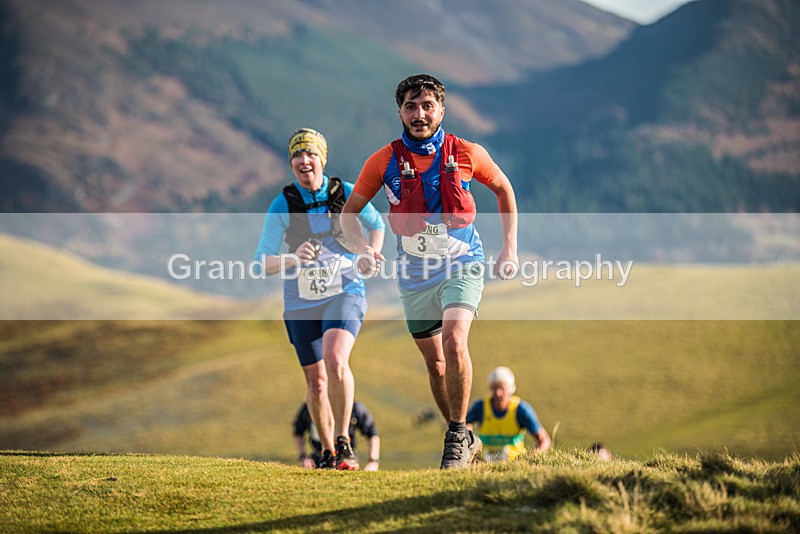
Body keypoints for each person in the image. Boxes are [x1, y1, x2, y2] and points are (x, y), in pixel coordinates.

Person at [341, 74, 519, 469]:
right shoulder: (383, 161)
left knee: (456, 342)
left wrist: (509, 248)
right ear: (400, 111)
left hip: (463, 262)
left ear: (441, 109)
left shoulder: (468, 152)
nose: (419, 114)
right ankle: (463, 434)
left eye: (426, 106)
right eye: (410, 106)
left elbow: (504, 189)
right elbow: (349, 214)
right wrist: (363, 249)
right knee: (436, 364)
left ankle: (455, 437)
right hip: (414, 274)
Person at [255, 128, 385, 470]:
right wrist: (294, 258)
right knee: (316, 381)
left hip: (345, 290)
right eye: (296, 155)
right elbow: (263, 262)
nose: (303, 160)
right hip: (300, 301)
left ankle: (344, 442)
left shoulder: (345, 192)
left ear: (322, 159)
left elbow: (377, 224)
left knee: (335, 358)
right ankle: (327, 452)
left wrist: (371, 254)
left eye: (310, 153)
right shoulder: (284, 203)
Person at [466, 366, 551, 462]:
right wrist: (469, 441)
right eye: (495, 388)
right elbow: (465, 423)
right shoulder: (480, 407)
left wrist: (531, 458)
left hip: (515, 464)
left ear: (510, 389)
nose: (498, 393)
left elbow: (544, 440)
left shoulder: (521, 410)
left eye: (502, 388)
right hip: (484, 464)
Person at [293, 401, 381, 471]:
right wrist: (303, 458)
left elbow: (372, 434)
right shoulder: (310, 407)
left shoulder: (355, 408)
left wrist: (373, 462)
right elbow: (298, 433)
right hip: (318, 460)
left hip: (347, 461)